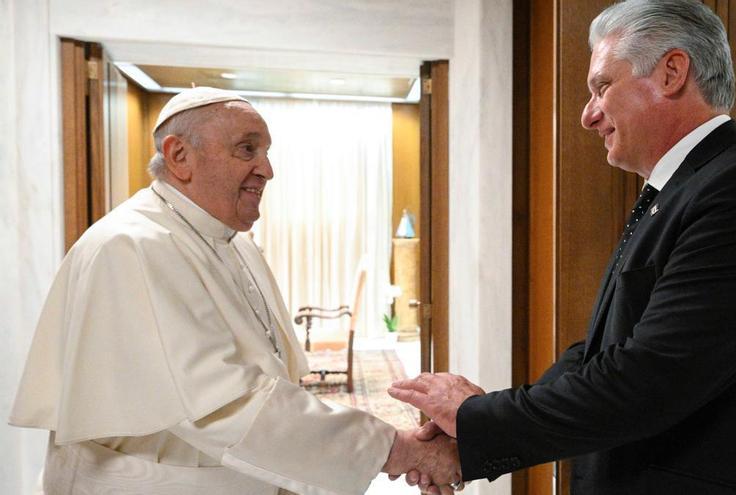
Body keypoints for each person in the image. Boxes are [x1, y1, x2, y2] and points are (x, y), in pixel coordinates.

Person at [389, 1, 736, 493]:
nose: (588, 115)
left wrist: (478, 418)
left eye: (601, 87)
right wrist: (478, 428)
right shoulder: (683, 190)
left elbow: (652, 378)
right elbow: (602, 354)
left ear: (672, 72)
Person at [9, 86, 460, 495]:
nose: (266, 169)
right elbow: (222, 403)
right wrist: (400, 450)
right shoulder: (131, 245)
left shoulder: (232, 243)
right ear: (179, 155)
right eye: (247, 149)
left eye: (265, 152)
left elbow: (268, 380)